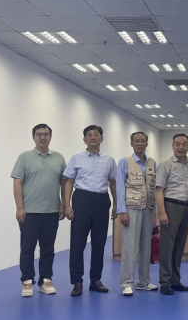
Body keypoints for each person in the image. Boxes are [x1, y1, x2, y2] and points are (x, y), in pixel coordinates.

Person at [11, 123, 67, 297]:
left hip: (51, 211)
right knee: (27, 248)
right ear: (34, 137)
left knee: (48, 248)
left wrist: (64, 204)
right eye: (39, 134)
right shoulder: (24, 157)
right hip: (30, 211)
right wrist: (19, 207)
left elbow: (64, 183)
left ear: (50, 137)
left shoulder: (58, 158)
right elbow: (17, 182)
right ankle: (27, 281)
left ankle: (46, 280)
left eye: (46, 134)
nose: (43, 137)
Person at [63, 125, 117, 296]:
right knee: (77, 243)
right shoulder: (76, 158)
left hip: (101, 200)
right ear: (84, 139)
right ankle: (77, 281)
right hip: (82, 200)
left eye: (96, 134)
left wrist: (116, 204)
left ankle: (95, 280)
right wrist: (67, 205)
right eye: (89, 135)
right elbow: (69, 182)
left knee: (99, 243)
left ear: (102, 138)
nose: (93, 137)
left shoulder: (109, 160)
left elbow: (113, 183)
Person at [115, 132, 158, 296]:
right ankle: (126, 283)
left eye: (143, 141)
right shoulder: (124, 161)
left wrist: (155, 213)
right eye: (137, 141)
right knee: (130, 247)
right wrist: (122, 211)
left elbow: (154, 189)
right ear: (131, 143)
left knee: (147, 246)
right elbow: (120, 187)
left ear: (147, 143)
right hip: (131, 208)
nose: (140, 144)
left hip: (148, 208)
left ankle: (143, 281)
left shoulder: (152, 163)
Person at [156, 133, 188, 295]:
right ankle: (165, 281)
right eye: (178, 144)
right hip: (171, 206)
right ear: (172, 146)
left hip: (187, 207)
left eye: (184, 144)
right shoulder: (165, 165)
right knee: (167, 246)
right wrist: (162, 212)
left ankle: (175, 279)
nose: (181, 147)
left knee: (179, 246)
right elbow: (159, 190)